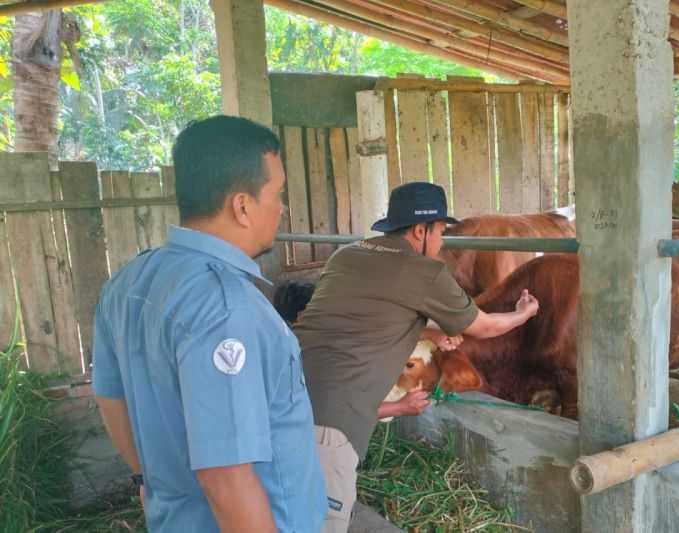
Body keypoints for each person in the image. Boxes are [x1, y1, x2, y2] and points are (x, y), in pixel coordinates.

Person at [91, 115, 327, 533]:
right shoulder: (224, 304)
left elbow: (111, 397)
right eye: (277, 193)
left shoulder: (129, 282)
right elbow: (225, 476)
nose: (281, 207)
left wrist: (146, 478)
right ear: (242, 205)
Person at [294, 181, 539, 532]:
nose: (441, 245)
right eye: (440, 232)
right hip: (330, 426)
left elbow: (360, 322)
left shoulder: (346, 255)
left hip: (286, 399)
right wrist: (524, 313)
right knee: (323, 523)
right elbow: (483, 328)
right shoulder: (425, 272)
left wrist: (429, 333)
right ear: (420, 230)